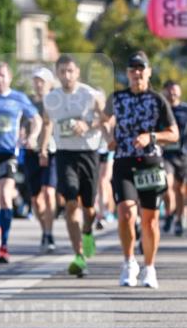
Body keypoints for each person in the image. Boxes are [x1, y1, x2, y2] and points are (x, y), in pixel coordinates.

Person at [102, 52, 178, 288]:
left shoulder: (157, 100)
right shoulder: (117, 98)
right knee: (125, 212)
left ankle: (149, 267)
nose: (136, 73)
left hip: (150, 163)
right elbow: (104, 120)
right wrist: (108, 137)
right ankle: (128, 262)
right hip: (124, 161)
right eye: (132, 69)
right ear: (127, 73)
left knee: (150, 220)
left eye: (141, 68)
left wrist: (151, 136)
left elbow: (173, 133)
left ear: (148, 72)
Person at [41, 54, 105, 277]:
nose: (66, 75)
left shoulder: (90, 95)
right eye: (62, 71)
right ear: (57, 74)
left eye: (70, 71)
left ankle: (88, 231)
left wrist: (87, 124)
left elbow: (106, 119)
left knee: (88, 208)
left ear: (77, 72)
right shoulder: (51, 98)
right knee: (70, 203)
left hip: (88, 153)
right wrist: (42, 147)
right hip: (65, 154)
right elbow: (47, 123)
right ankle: (79, 255)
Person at [0, 61, 41, 263]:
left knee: (5, 196)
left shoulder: (18, 98)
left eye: (3, 75)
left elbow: (36, 119)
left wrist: (33, 137)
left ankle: (3, 245)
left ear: (9, 77)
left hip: (8, 153)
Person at [24, 67, 58, 252]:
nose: (38, 84)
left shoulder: (55, 101)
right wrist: (23, 135)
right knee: (36, 199)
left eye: (42, 81)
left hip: (51, 151)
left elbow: (51, 125)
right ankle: (44, 230)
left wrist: (44, 149)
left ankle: (50, 232)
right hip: (31, 152)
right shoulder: (28, 102)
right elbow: (22, 124)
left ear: (50, 84)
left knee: (49, 193)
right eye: (36, 80)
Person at [161, 80, 187, 236]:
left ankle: (178, 218)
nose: (172, 94)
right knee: (166, 184)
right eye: (169, 91)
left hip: (183, 155)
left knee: (181, 190)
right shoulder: (161, 110)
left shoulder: (185, 109)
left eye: (175, 91)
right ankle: (169, 213)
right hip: (166, 155)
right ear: (164, 92)